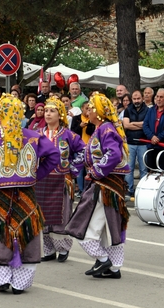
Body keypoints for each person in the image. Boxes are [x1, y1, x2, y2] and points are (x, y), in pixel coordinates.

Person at [0, 94, 59, 294]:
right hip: (26, 192)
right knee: (27, 230)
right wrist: (36, 174)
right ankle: (20, 283)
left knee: (1, 230)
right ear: (20, 114)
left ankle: (1, 278)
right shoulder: (33, 136)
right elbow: (54, 154)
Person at [66, 93, 130, 279]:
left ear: (99, 112)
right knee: (106, 227)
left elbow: (113, 154)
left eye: (91, 108)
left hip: (105, 185)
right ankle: (112, 267)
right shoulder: (101, 129)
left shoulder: (106, 130)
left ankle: (104, 260)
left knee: (89, 227)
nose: (88, 111)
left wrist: (96, 172)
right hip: (102, 184)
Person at [37, 97, 85, 262]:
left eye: (52, 111)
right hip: (41, 181)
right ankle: (49, 249)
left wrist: (72, 169)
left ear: (60, 115)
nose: (48, 114)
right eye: (47, 111)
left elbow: (83, 152)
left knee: (60, 215)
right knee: (42, 215)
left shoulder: (69, 136)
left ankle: (63, 248)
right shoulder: (37, 134)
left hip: (60, 181)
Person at [123, 90, 149, 197]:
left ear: (142, 98)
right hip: (130, 142)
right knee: (129, 168)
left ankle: (142, 190)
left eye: (138, 98)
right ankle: (129, 189)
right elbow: (126, 126)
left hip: (143, 142)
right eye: (134, 99)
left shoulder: (148, 110)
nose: (136, 101)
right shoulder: (128, 109)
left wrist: (132, 123)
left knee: (144, 168)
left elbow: (147, 125)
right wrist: (140, 125)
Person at [142, 88, 164, 167]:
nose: (158, 99)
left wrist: (158, 137)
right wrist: (151, 136)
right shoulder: (151, 110)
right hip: (151, 145)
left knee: (162, 170)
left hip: (163, 146)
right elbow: (145, 125)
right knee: (151, 170)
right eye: (157, 97)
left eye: (161, 97)